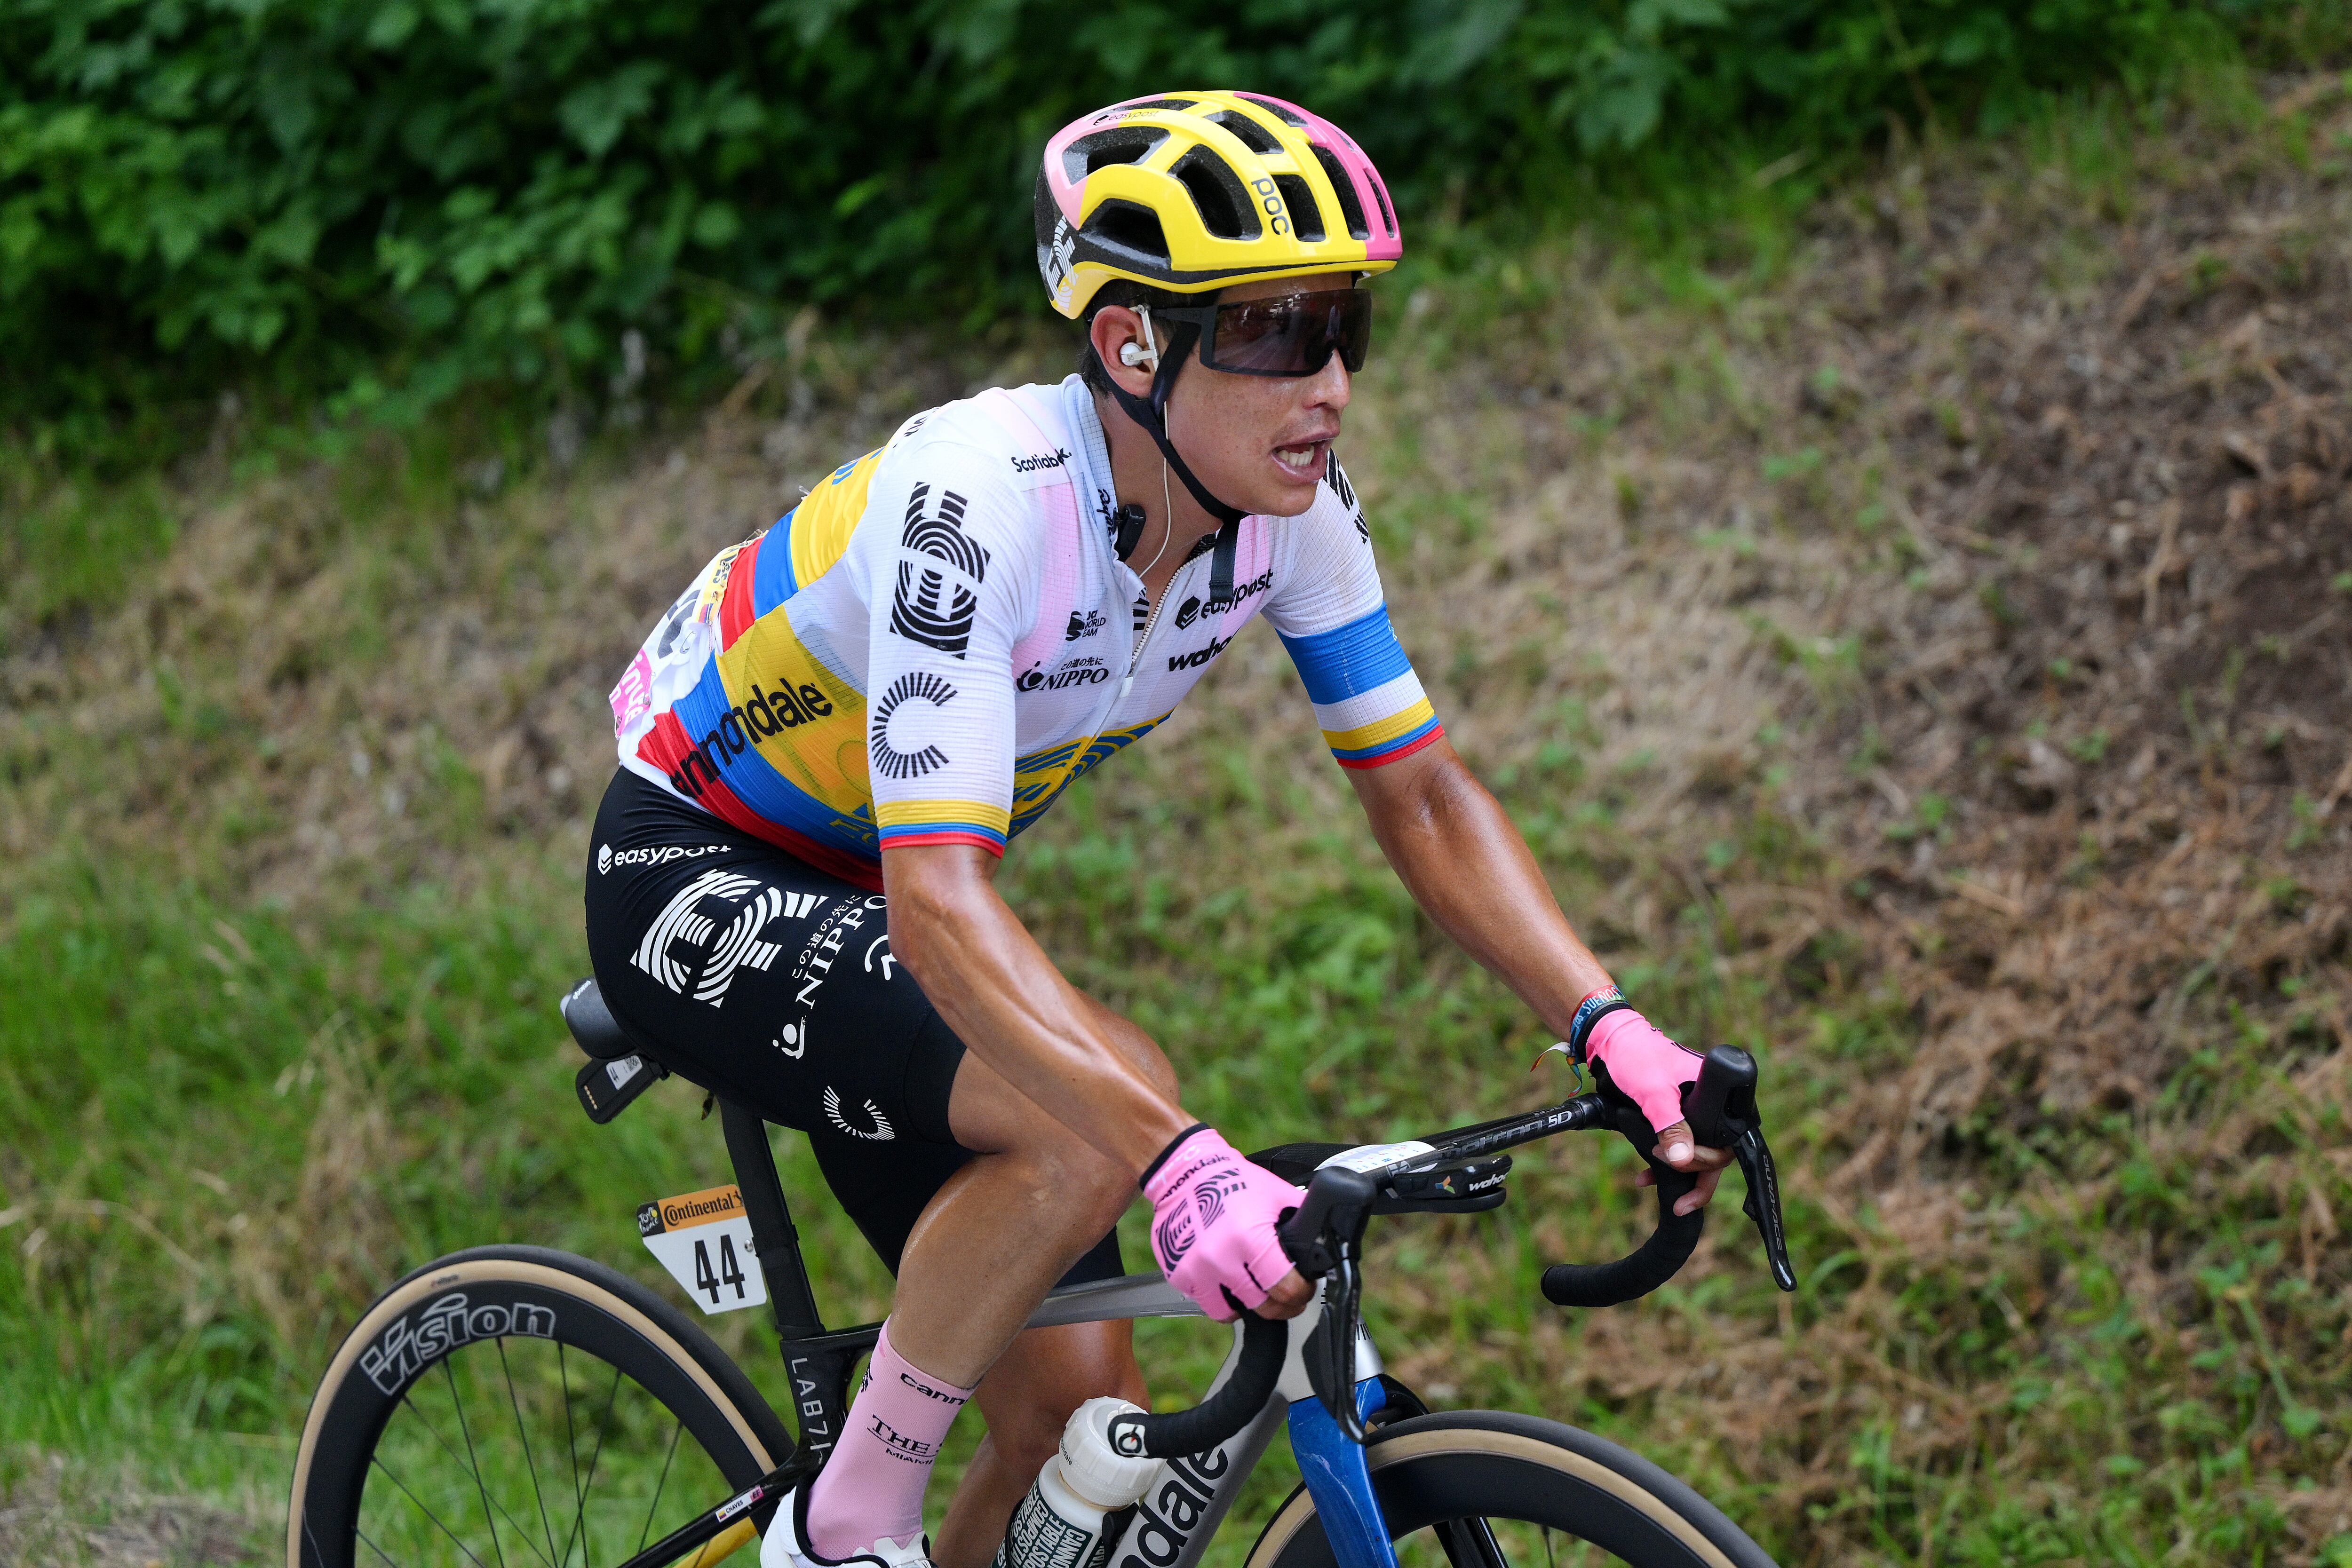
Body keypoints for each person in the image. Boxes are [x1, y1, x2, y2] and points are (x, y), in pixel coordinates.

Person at [581, 89, 1732, 1568]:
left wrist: (1613, 1029)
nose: (1323, 382)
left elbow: (1423, 793)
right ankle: (843, 1523)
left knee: (1078, 1445)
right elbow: (938, 905)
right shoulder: (979, 498)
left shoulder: (1287, 515)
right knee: (1103, 1109)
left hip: (888, 906)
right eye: (1268, 334)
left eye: (1342, 329)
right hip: (701, 869)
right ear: (1133, 345)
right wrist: (1179, 1163)